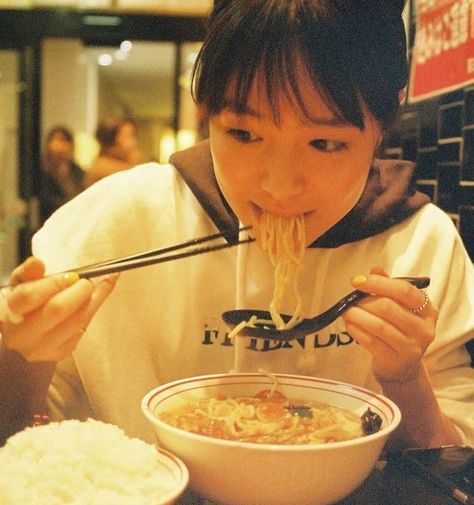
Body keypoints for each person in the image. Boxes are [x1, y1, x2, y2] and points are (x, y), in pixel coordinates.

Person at [0, 0, 473, 448]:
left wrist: (405, 380)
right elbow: (25, 435)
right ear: (206, 106)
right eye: (244, 134)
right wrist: (22, 353)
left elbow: (454, 461)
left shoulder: (418, 244)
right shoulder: (118, 219)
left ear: (387, 117)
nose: (280, 188)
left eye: (325, 143)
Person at [39, 126, 85, 224]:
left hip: (74, 220)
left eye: (65, 140)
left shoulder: (77, 171)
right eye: (57, 140)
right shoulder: (41, 171)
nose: (61, 145)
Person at [84, 116, 143, 187]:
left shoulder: (127, 161)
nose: (133, 142)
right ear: (110, 143)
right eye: (127, 137)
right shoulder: (101, 167)